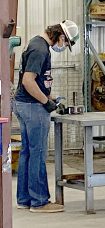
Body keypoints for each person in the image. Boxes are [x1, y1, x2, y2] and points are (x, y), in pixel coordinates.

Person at [12, 20, 79, 212]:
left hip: (26, 105)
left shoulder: (37, 45)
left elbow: (37, 81)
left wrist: (51, 98)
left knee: (28, 152)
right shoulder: (40, 49)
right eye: (66, 43)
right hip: (32, 107)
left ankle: (25, 199)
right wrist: (45, 102)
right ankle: (39, 201)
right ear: (61, 36)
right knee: (38, 153)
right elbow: (28, 81)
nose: (64, 46)